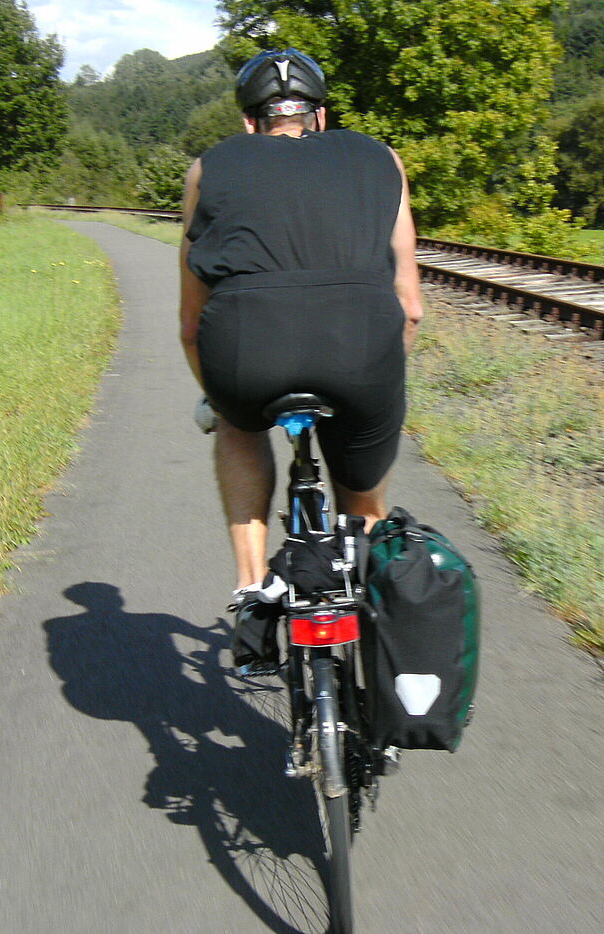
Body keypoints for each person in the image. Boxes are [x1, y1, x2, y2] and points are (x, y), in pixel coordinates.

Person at [178, 48, 424, 616]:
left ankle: (252, 586)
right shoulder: (382, 160)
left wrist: (217, 397)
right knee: (363, 495)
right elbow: (410, 307)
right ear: (321, 115)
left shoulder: (209, 168)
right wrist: (380, 381)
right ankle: (365, 595)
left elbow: (192, 324)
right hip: (363, 354)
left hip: (247, 357)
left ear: (250, 123)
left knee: (237, 425)